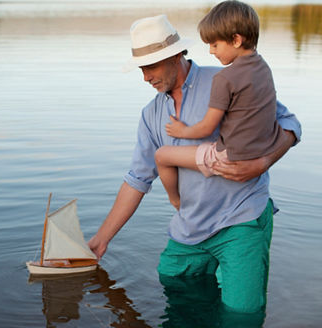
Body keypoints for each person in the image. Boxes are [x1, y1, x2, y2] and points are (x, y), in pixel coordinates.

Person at [88, 13, 301, 313]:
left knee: (242, 315)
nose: (145, 77)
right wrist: (101, 239)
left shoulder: (227, 80)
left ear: (175, 56)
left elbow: (290, 124)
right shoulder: (151, 116)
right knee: (172, 286)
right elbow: (138, 179)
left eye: (151, 66)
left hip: (241, 219)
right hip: (190, 228)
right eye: (141, 68)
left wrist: (263, 162)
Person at [155, 1, 289, 211]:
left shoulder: (225, 78)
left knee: (162, 155)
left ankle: (177, 203)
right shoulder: (263, 67)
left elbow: (207, 127)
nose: (210, 51)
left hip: (229, 157)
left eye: (215, 44)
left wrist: (183, 130)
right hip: (262, 148)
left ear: (236, 40)